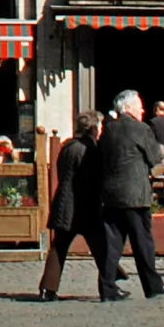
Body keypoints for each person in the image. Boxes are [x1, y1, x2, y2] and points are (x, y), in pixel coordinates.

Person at [93, 90, 164, 301]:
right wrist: (162, 150)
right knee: (143, 242)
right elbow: (154, 157)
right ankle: (153, 285)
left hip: (111, 195)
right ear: (128, 108)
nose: (143, 110)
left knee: (113, 244)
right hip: (135, 195)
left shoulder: (108, 129)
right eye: (139, 106)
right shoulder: (140, 128)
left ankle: (107, 288)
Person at [37, 110, 106, 301]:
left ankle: (47, 288)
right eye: (100, 126)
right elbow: (91, 179)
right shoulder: (87, 149)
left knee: (60, 245)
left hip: (65, 202)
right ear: (93, 128)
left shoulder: (68, 147)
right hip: (81, 204)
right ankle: (110, 283)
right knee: (101, 245)